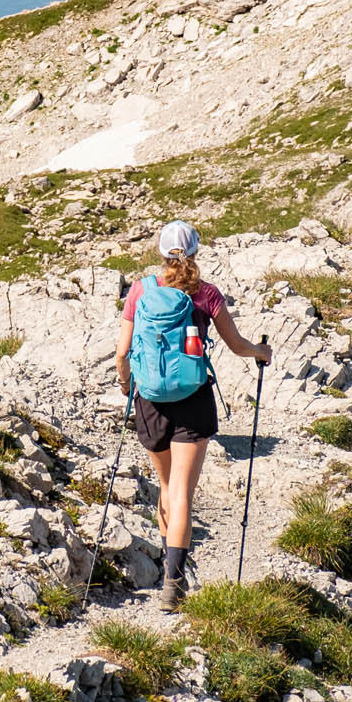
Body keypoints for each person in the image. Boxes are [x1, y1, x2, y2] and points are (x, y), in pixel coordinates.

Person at [114, 220, 271, 610]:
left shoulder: (140, 290)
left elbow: (121, 352)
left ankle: (171, 571)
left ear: (160, 252)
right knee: (183, 491)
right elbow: (236, 346)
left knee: (166, 488)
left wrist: (125, 384)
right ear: (196, 252)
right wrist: (260, 353)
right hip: (193, 399)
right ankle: (173, 582)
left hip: (149, 400)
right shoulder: (207, 294)